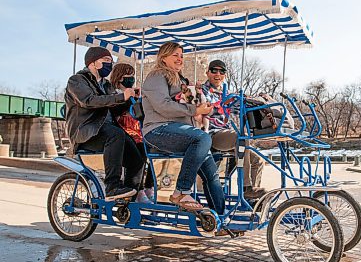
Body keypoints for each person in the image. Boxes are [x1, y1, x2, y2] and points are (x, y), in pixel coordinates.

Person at [141, 42, 225, 215]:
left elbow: (186, 106)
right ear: (163, 58)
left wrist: (202, 108)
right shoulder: (156, 77)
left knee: (212, 174)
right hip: (158, 130)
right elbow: (162, 105)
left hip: (182, 131)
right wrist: (195, 110)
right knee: (203, 138)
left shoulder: (181, 80)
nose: (180, 59)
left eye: (181, 55)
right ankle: (181, 192)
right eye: (175, 55)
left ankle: (220, 219)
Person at [64, 47, 144, 201]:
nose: (110, 64)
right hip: (86, 131)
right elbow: (89, 101)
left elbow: (114, 109)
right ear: (93, 63)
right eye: (106, 61)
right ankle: (112, 187)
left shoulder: (106, 85)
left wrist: (128, 99)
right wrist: (121, 97)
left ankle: (129, 197)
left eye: (111, 61)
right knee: (116, 135)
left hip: (106, 130)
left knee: (138, 155)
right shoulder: (77, 81)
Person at [201, 60, 266, 199]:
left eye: (222, 71)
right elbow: (204, 108)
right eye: (214, 70)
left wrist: (257, 100)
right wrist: (223, 102)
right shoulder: (202, 90)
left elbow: (239, 107)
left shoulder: (227, 92)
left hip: (226, 134)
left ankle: (252, 201)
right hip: (210, 133)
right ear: (207, 72)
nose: (218, 74)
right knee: (240, 137)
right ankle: (246, 187)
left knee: (258, 160)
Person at [109, 63, 155, 204]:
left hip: (138, 132)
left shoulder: (133, 95)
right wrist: (127, 99)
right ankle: (137, 190)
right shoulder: (114, 94)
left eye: (132, 75)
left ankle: (149, 187)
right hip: (123, 133)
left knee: (155, 149)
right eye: (127, 75)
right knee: (140, 151)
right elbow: (114, 112)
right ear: (119, 77)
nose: (131, 78)